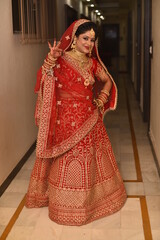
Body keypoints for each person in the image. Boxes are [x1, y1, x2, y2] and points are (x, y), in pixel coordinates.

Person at [25, 19, 127, 226]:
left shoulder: (92, 63)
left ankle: (89, 205)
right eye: (85, 39)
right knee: (65, 162)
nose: (89, 43)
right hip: (65, 122)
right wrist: (50, 61)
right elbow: (44, 80)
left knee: (88, 162)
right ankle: (64, 205)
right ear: (74, 39)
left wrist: (101, 99)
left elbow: (107, 81)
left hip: (89, 119)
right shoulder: (60, 59)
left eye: (92, 40)